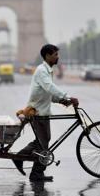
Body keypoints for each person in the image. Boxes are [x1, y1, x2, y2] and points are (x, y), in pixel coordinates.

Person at [13, 44, 79, 182]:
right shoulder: (42, 70)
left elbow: (48, 93)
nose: (57, 57)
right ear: (48, 56)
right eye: (55, 54)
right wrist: (66, 96)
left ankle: (27, 164)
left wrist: (62, 101)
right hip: (37, 112)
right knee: (43, 144)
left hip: (42, 111)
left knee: (42, 141)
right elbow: (49, 87)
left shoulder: (47, 70)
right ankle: (34, 171)